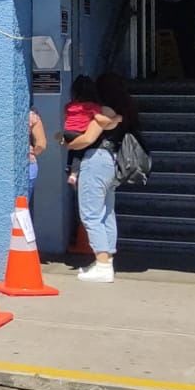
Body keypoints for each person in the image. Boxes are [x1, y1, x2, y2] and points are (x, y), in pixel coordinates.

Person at [65, 74, 138, 283]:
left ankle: (103, 264)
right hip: (110, 163)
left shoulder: (99, 111)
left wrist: (67, 143)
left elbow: (87, 139)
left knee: (90, 214)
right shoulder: (117, 111)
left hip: (95, 161)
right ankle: (106, 260)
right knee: (106, 213)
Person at [27, 108, 48, 205]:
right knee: (22, 207)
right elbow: (41, 144)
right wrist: (31, 152)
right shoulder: (32, 116)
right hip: (28, 164)